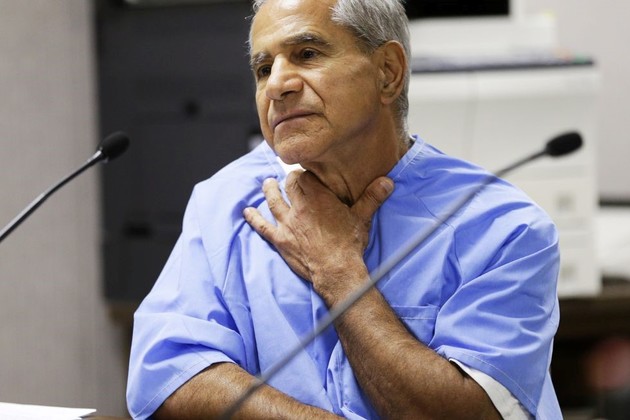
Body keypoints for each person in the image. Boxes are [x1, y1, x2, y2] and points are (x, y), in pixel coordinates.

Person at [126, 0, 562, 418]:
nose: (276, 85)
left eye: (307, 54)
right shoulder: (225, 202)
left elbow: (468, 414)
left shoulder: (505, 228)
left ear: (388, 72)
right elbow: (165, 376)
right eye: (263, 69)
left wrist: (338, 271)